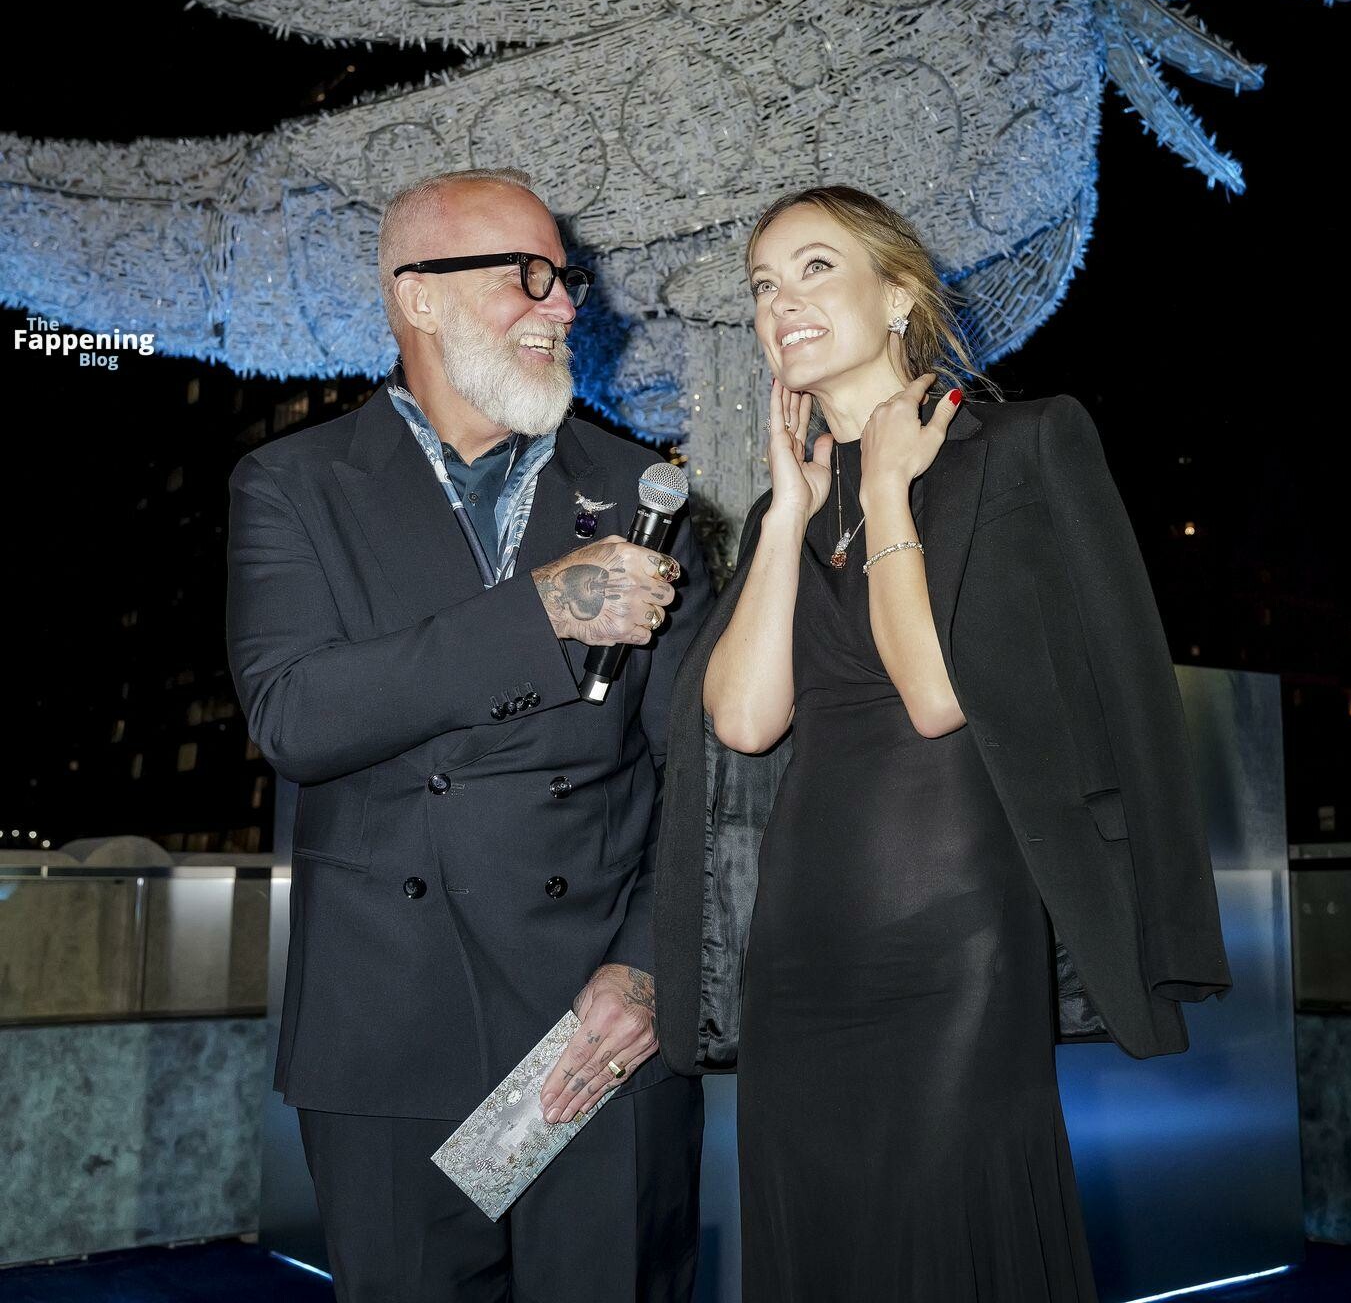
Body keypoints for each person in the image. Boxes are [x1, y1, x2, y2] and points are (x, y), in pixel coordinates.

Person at [651, 185, 1233, 1302]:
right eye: (764, 285)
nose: (782, 303)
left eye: (816, 269)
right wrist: (788, 509)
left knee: (945, 1236)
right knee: (816, 1235)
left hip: (954, 924)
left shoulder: (1021, 446)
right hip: (800, 932)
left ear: (898, 296)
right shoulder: (791, 504)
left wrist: (887, 491)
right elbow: (744, 720)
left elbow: (933, 697)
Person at [226, 167, 710, 1303]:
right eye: (526, 276)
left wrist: (647, 967)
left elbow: (698, 772)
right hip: (391, 1029)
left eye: (564, 277)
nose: (562, 304)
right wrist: (542, 613)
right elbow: (296, 715)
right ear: (419, 297)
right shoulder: (293, 484)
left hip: (596, 1027)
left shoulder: (640, 489)